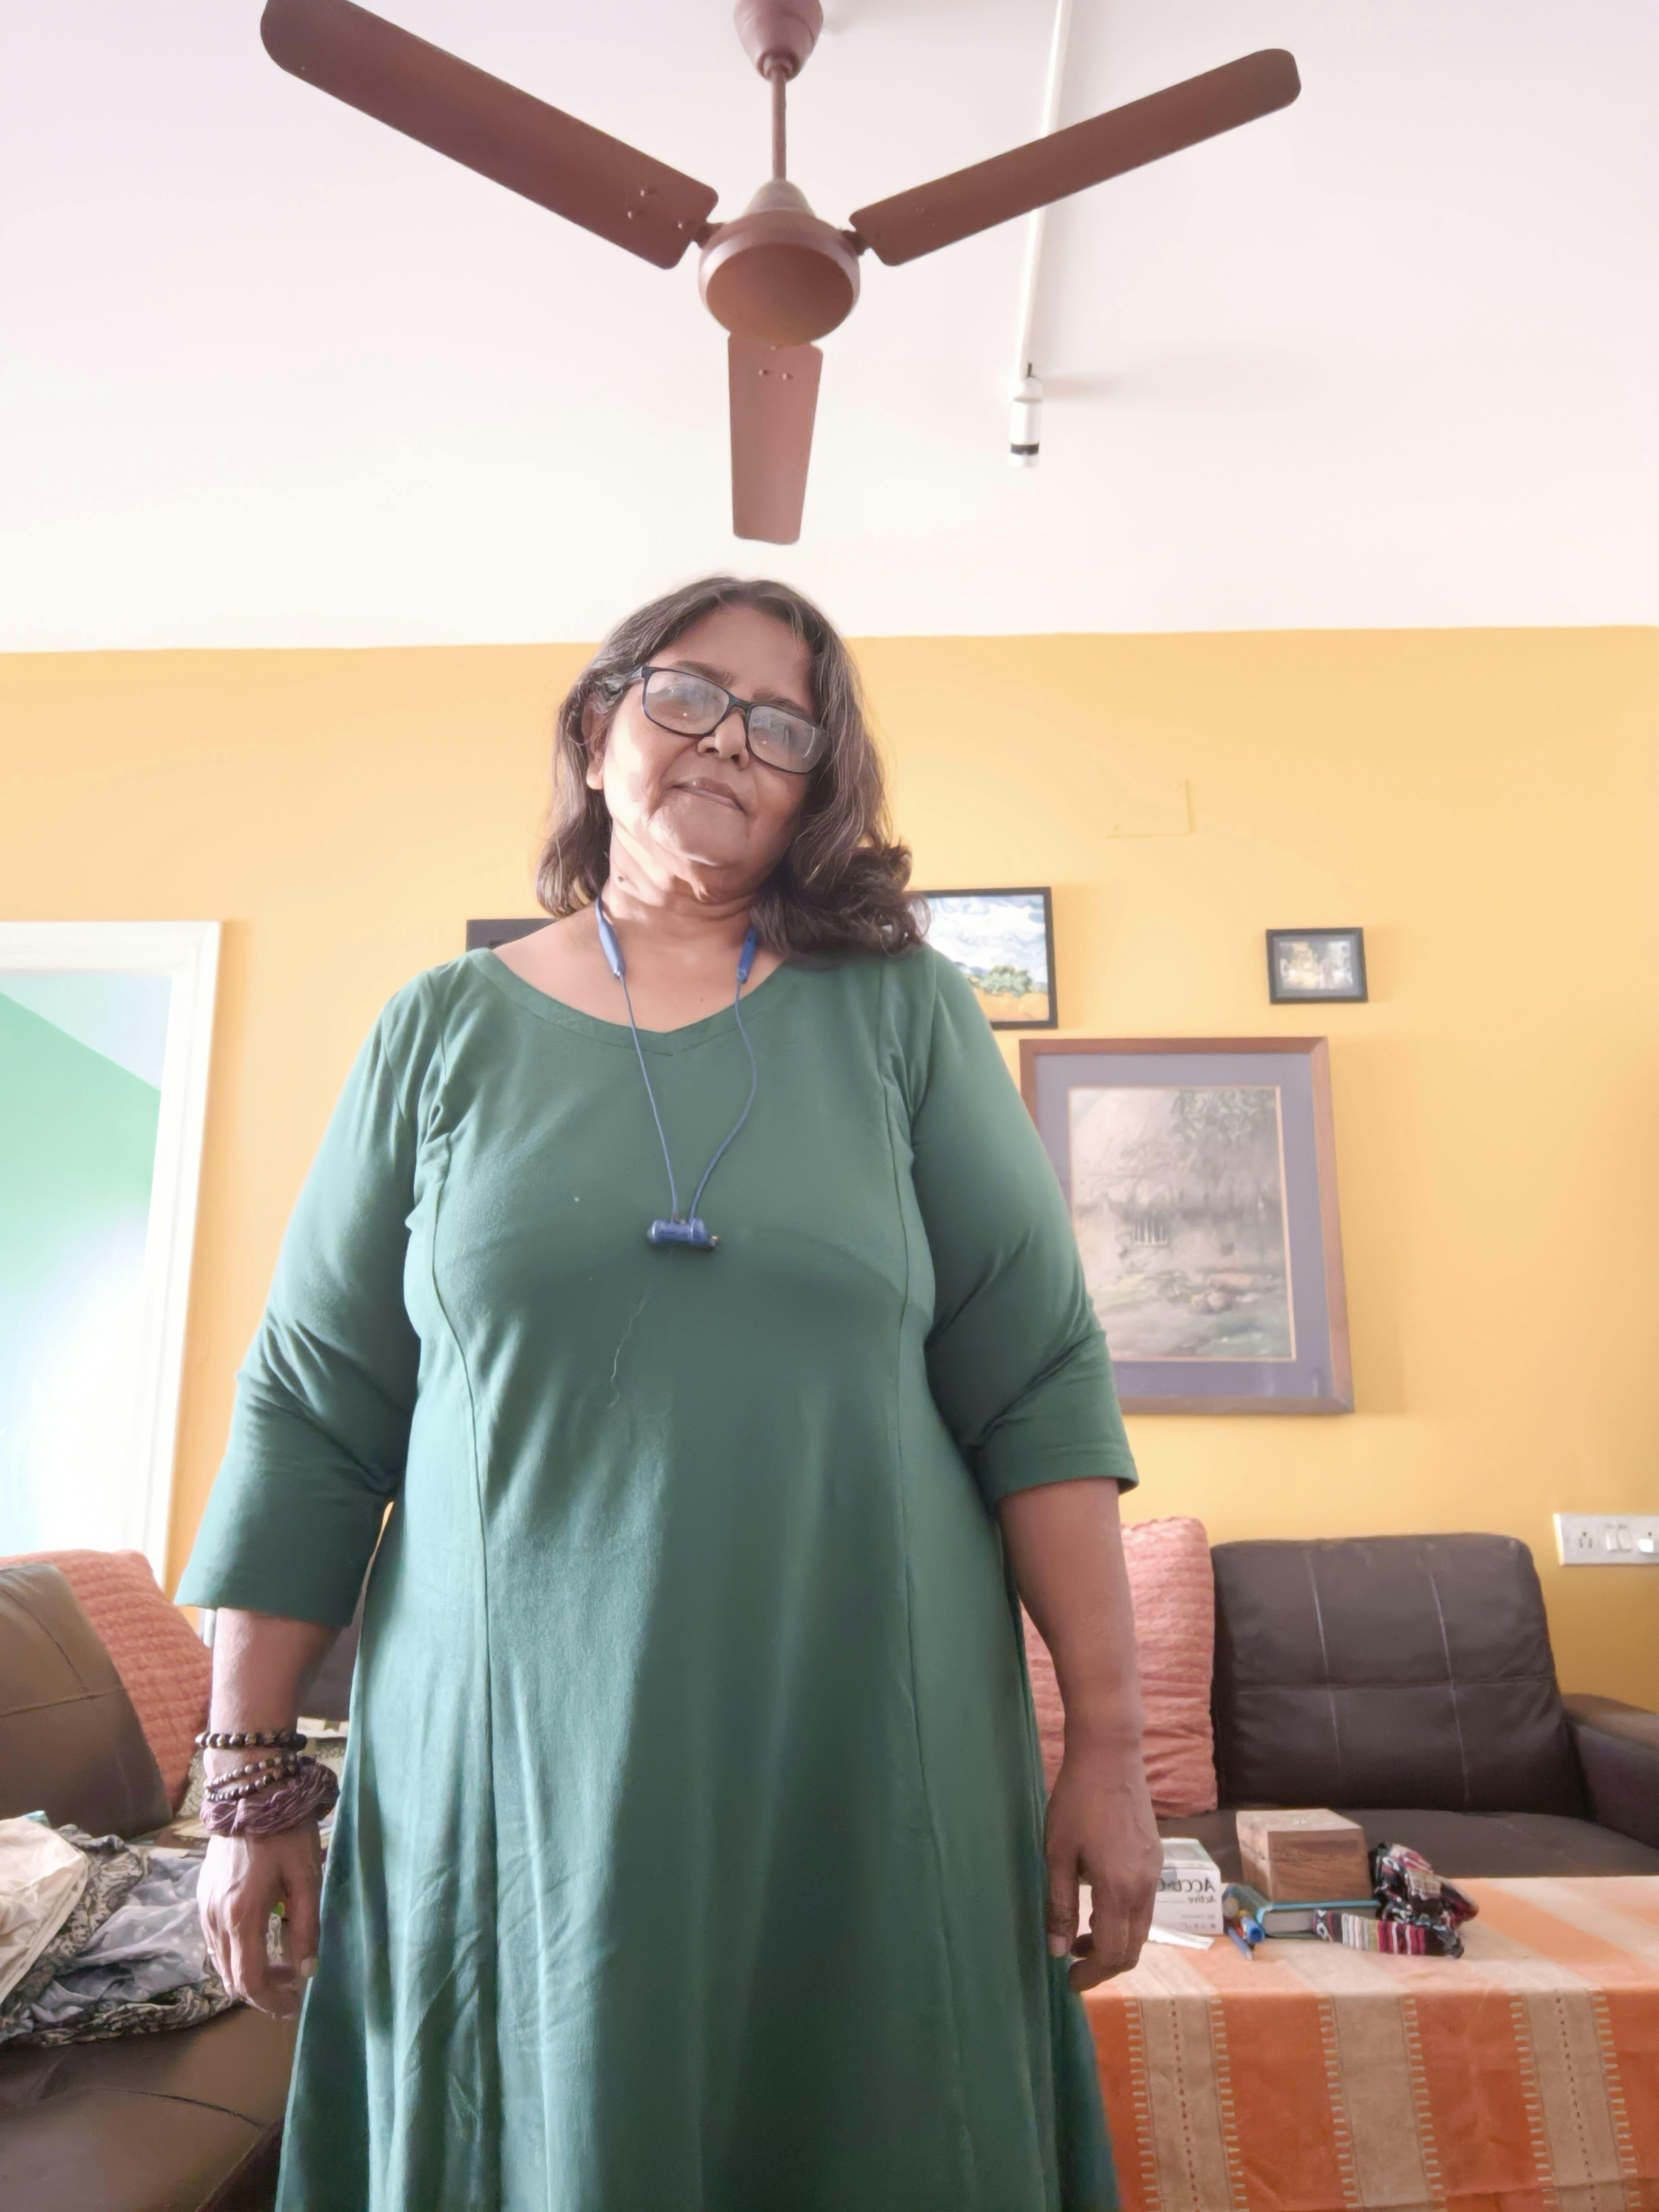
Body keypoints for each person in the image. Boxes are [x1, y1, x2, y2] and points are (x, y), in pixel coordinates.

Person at [180, 574, 1161, 2212]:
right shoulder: (438, 1033)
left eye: (783, 726)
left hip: (865, 1736)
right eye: (688, 695)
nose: (730, 742)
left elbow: (1040, 1380)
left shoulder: (907, 1013)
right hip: (505, 1762)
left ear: (817, 786)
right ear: (597, 727)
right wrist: (247, 1777)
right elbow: (311, 1406)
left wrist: (1111, 1748)